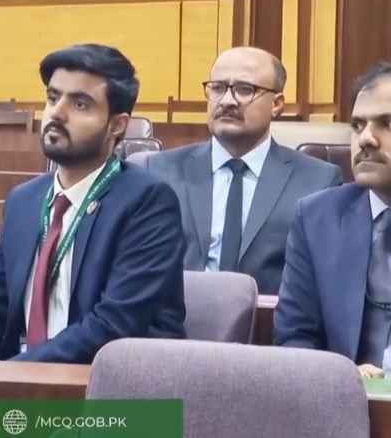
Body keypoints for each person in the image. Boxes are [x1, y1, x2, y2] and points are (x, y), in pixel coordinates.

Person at [0, 44, 186, 364]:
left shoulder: (147, 202)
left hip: (108, 385)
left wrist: (7, 373)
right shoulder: (24, 200)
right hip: (20, 380)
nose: (56, 113)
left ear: (117, 125)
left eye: (80, 104)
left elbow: (113, 326)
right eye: (53, 97)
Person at [131, 47, 341, 294]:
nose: (227, 101)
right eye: (218, 88)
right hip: (173, 315)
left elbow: (324, 283)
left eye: (245, 89)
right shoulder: (158, 171)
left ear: (276, 105)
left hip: (268, 316)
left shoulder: (319, 181)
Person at [274, 61, 391, 378]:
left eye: (387, 124)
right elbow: (294, 337)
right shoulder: (317, 217)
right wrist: (340, 378)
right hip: (344, 400)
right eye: (357, 125)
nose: (366, 139)